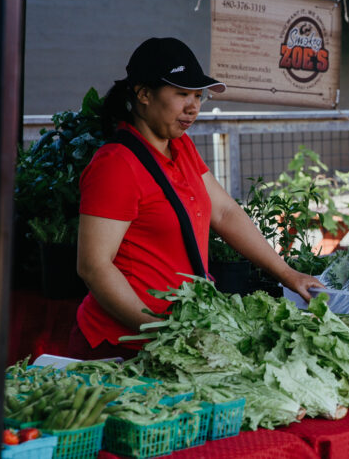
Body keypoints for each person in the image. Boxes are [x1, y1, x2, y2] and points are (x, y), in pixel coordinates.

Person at [69, 37, 323, 360]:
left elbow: (226, 213)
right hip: (123, 347)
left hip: (179, 340)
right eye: (181, 94)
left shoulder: (181, 148)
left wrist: (289, 275)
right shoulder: (116, 165)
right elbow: (93, 266)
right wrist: (159, 330)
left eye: (197, 95)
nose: (193, 106)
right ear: (143, 94)